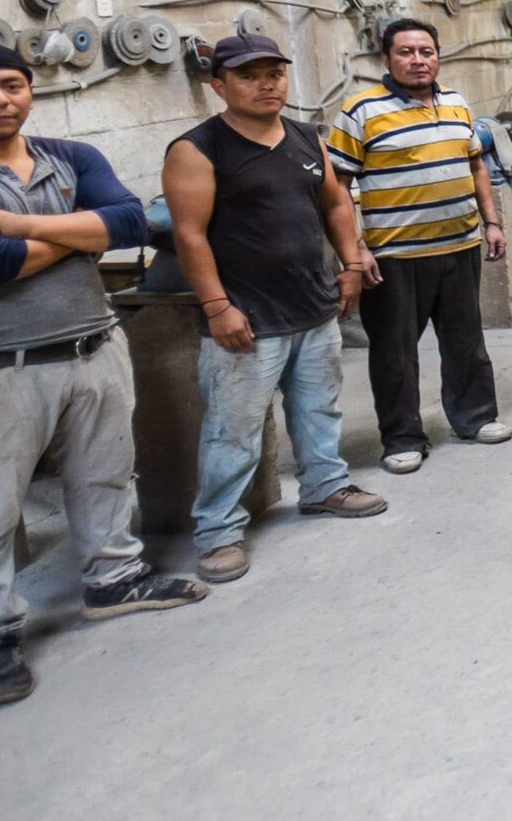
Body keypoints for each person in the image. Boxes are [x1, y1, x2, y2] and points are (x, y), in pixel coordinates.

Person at [0, 42, 205, 708]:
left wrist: (16, 225)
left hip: (94, 346)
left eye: (11, 84)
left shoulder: (72, 157)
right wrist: (73, 234)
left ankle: (114, 581)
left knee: (107, 478)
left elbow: (129, 223)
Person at [165, 33, 386, 586]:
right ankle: (217, 531)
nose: (266, 84)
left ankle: (324, 486)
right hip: (246, 317)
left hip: (312, 304)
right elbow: (189, 234)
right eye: (248, 75)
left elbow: (336, 201)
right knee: (232, 431)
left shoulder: (308, 138)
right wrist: (217, 306)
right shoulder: (197, 149)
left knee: (318, 409)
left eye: (275, 73)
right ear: (219, 85)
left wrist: (351, 263)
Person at [328, 17, 509, 474]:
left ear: (437, 56)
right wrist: (355, 251)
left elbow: (476, 168)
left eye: (425, 51)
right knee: (395, 351)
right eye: (406, 52)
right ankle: (402, 436)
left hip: (459, 245)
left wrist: (491, 222)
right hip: (393, 256)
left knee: (466, 341)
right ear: (386, 59)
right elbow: (336, 189)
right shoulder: (360, 110)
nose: (417, 60)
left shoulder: (455, 104)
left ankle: (475, 417)